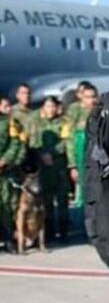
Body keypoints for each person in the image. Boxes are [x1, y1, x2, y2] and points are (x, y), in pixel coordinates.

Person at [27, 95, 71, 241]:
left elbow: (66, 141)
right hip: (43, 168)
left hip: (59, 166)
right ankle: (49, 231)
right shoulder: (37, 124)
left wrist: (52, 152)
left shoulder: (63, 122)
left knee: (62, 199)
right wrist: (42, 153)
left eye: (53, 106)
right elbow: (33, 142)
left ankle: (64, 231)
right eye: (47, 106)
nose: (50, 109)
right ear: (43, 108)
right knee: (46, 201)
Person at [0, 97, 28, 249]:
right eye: (5, 105)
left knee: (9, 204)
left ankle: (9, 238)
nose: (9, 108)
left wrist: (5, 160)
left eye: (10, 105)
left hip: (6, 171)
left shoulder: (11, 123)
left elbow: (17, 143)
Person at [64, 83, 98, 209]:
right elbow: (69, 139)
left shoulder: (100, 110)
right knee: (81, 193)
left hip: (96, 159)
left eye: (94, 96)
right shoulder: (75, 110)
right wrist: (72, 165)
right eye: (88, 97)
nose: (92, 100)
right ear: (81, 98)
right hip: (81, 158)